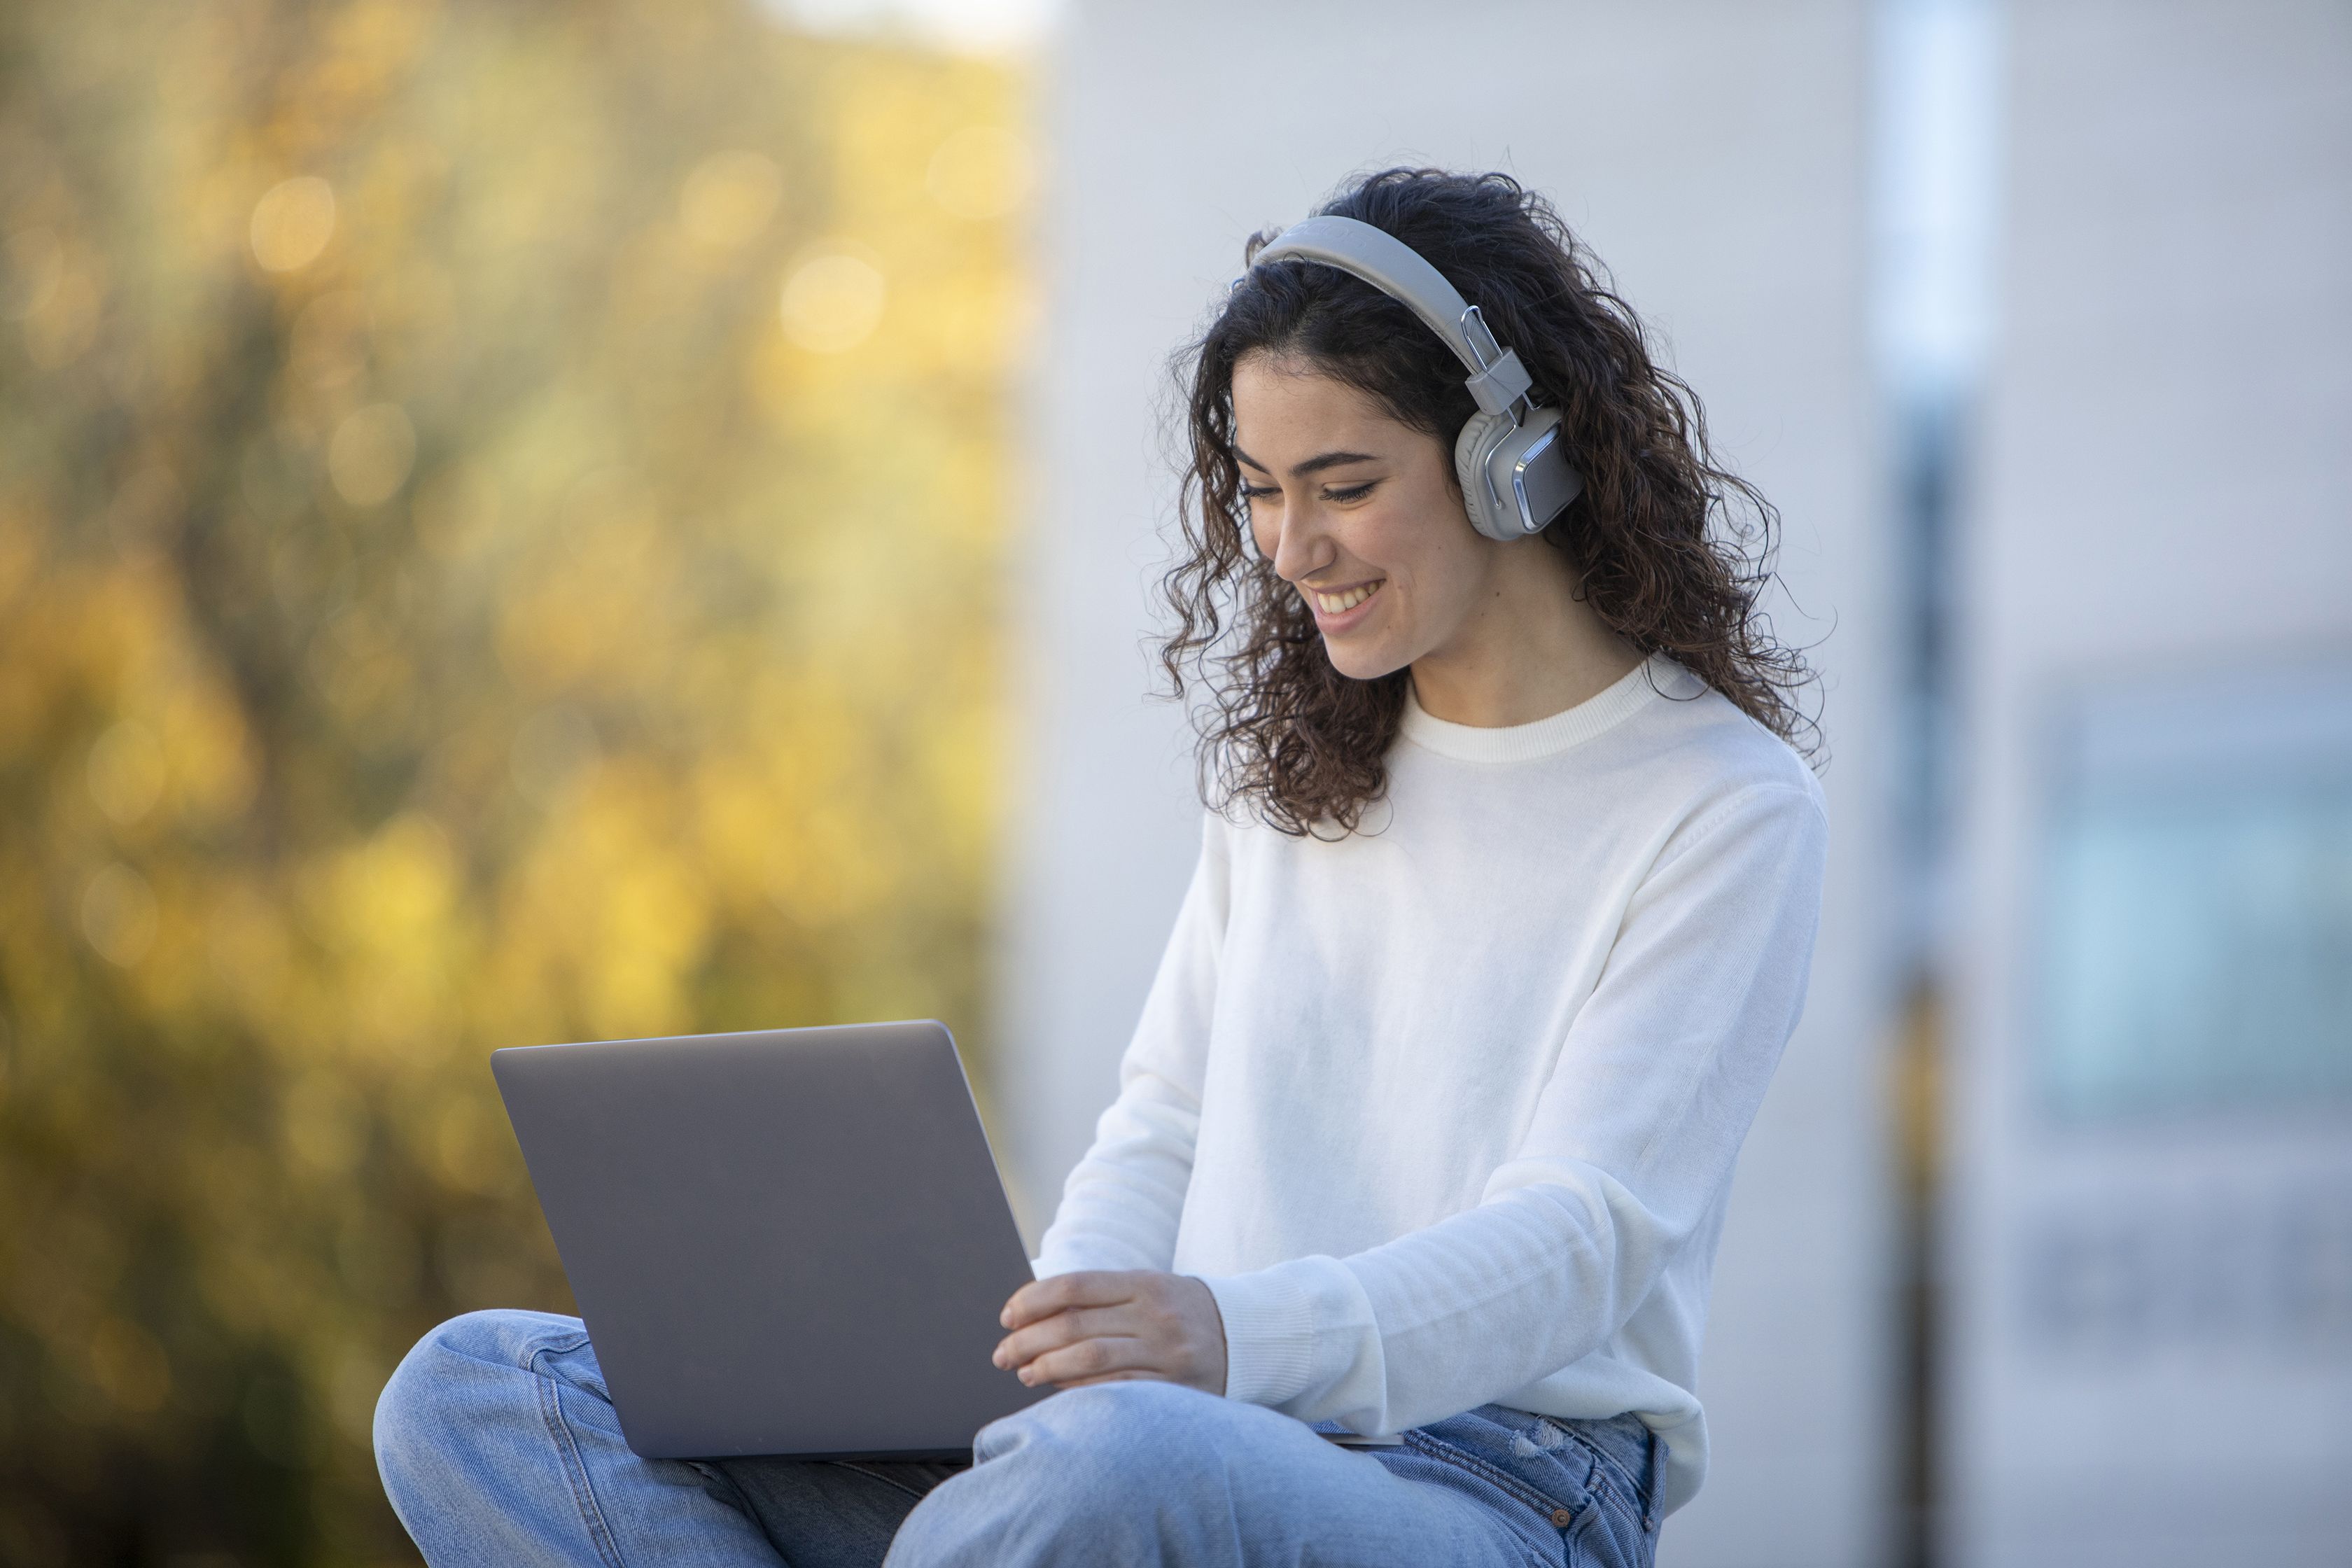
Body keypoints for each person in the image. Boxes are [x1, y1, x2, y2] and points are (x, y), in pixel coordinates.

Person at [373, 167, 1827, 1568]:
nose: (1293, 546)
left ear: (1515, 461)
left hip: (1495, 1490)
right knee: (479, 1394)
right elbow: (1164, 1127)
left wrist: (1216, 1339)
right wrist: (1045, 1352)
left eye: (1343, 483)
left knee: (1114, 1468)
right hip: (1138, 1452)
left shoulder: (1721, 804)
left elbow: (1583, 1236)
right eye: (1259, 489)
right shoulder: (1299, 774)